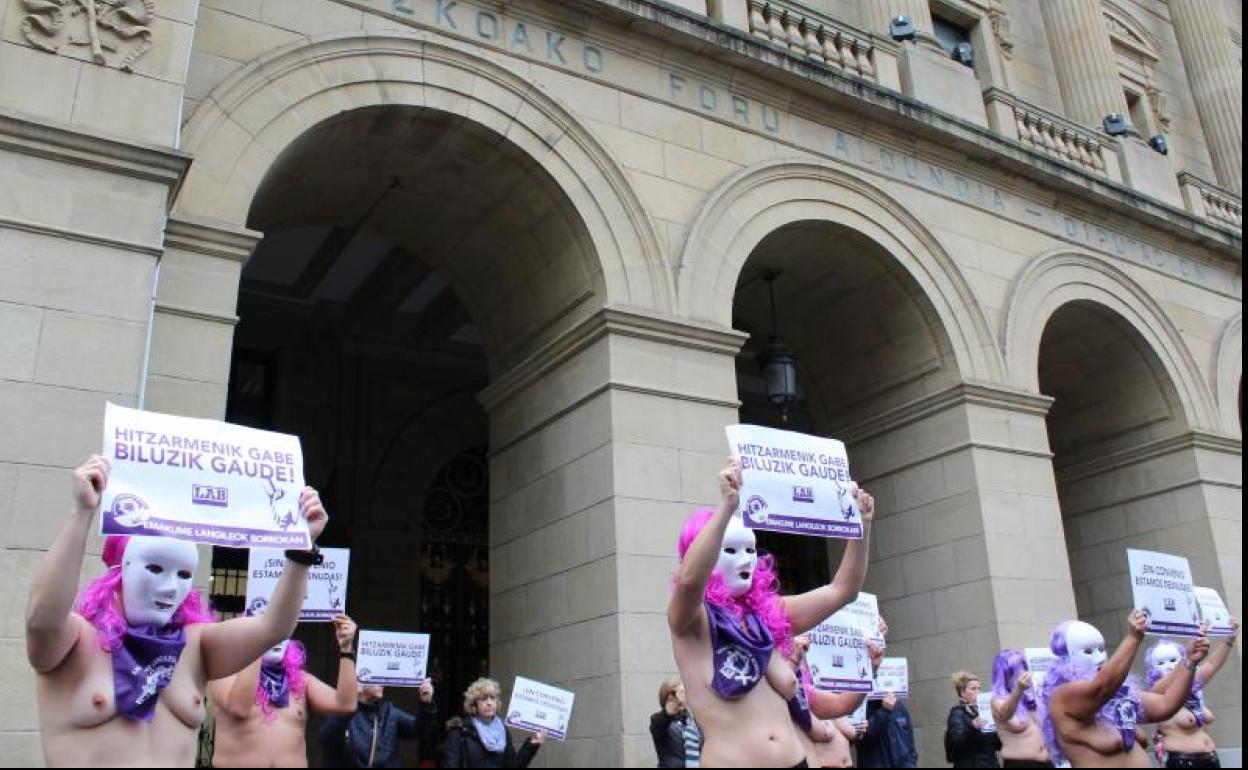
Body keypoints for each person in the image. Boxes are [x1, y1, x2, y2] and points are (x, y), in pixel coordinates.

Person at [26, 455, 326, 767]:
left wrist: (302, 551)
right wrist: (82, 512)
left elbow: (273, 628)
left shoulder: (195, 646)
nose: (170, 587)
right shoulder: (75, 641)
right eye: (155, 568)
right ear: (120, 571)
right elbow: (40, 619)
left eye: (184, 575)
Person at [668, 459, 875, 767]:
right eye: (731, 550)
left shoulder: (765, 614)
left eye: (751, 550)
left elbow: (842, 591)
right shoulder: (692, 621)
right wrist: (727, 507)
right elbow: (689, 581)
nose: (745, 560)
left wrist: (862, 524)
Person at [1040, 610, 1209, 768]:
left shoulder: (1120, 695)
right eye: (1088, 651)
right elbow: (1101, 688)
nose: (1099, 656)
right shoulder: (1062, 696)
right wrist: (1134, 638)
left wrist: (1189, 661)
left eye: (1101, 649)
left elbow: (1166, 705)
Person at [208, 614, 360, 766]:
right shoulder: (225, 672)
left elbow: (345, 704)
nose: (276, 638)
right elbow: (239, 708)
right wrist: (256, 646)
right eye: (270, 631)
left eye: (281, 631)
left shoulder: (300, 679)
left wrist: (346, 649)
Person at [1147, 617, 1238, 769]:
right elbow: (1178, 674)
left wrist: (1228, 640)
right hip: (1183, 761)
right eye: (1161, 662)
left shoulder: (1192, 685)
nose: (1168, 666)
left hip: (1210, 759)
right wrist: (1189, 658)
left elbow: (1211, 664)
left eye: (1172, 660)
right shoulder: (1158, 690)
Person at [319, 680, 437, 768]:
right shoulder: (344, 712)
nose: (382, 682)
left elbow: (418, 729)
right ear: (359, 682)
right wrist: (346, 704)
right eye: (376, 677)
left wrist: (426, 703)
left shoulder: (389, 712)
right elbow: (327, 737)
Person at [442, 677, 545, 768]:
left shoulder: (502, 730)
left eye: (493, 698)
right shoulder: (460, 731)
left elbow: (513, 765)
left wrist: (531, 746)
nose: (489, 703)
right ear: (474, 705)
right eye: (483, 699)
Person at [990, 649, 1052, 768]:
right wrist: (1019, 689)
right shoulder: (997, 699)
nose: (1023, 672)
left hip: (1045, 762)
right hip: (1020, 764)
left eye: (1024, 667)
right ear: (1006, 673)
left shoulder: (1028, 696)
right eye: (1018, 668)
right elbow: (1006, 713)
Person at [945, 671, 1001, 768]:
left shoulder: (983, 712)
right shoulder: (957, 712)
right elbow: (956, 740)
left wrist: (999, 727)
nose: (978, 691)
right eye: (973, 689)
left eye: (979, 688)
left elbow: (997, 745)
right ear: (962, 692)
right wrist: (972, 726)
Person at [856, 690, 917, 768]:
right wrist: (884, 711)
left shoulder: (900, 708)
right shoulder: (862, 706)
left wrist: (910, 765)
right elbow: (862, 742)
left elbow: (910, 745)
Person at [651, 679, 690, 768]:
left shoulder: (694, 721)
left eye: (683, 692)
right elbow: (659, 723)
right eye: (674, 693)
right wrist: (669, 711)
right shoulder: (659, 720)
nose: (680, 697)